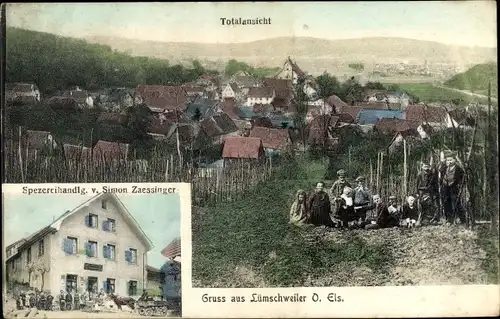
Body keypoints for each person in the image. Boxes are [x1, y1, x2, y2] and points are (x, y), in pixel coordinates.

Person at [438, 151, 465, 225]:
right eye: (447, 160)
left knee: (455, 202)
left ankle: (458, 218)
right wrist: (443, 163)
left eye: (451, 160)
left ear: (454, 160)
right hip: (445, 187)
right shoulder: (444, 167)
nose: (449, 161)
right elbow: (440, 171)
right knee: (446, 202)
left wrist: (460, 185)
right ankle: (449, 219)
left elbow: (463, 178)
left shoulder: (458, 168)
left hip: (454, 187)